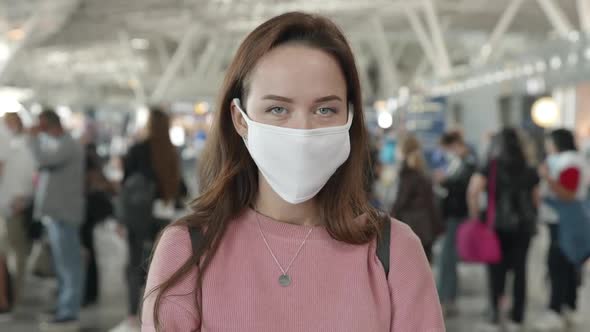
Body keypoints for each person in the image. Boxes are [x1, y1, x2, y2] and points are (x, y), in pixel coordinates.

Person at [142, 12, 444, 332]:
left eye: (325, 109)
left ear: (350, 118)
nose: (302, 130)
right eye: (278, 109)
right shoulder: (187, 251)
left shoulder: (394, 252)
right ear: (241, 119)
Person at [110, 107, 186, 332]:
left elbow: (126, 187)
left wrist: (120, 220)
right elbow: (179, 186)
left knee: (134, 264)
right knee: (162, 265)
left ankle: (132, 315)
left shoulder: (138, 149)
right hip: (164, 215)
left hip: (138, 216)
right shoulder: (171, 151)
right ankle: (158, 314)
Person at [467, 128, 539, 332]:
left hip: (495, 226)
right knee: (520, 270)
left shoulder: (491, 166)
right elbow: (536, 198)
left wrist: (476, 216)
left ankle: (495, 313)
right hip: (524, 228)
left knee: (495, 270)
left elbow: (473, 191)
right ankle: (517, 317)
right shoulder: (528, 166)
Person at [28, 109, 85, 332]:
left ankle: (69, 311)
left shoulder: (68, 145)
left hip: (65, 215)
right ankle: (64, 306)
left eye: (40, 124)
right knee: (62, 266)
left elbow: (43, 160)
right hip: (56, 215)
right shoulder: (58, 143)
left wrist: (33, 138)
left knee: (70, 265)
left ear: (48, 124)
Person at [532, 129, 588, 331]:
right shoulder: (566, 160)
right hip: (561, 221)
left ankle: (557, 310)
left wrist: (547, 178)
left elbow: (568, 193)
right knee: (566, 265)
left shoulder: (569, 162)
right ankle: (568, 307)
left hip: (564, 222)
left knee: (559, 265)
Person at [435, 131, 476, 316]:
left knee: (448, 258)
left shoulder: (469, 163)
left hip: (457, 215)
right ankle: (447, 297)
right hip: (451, 215)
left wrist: (445, 181)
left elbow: (463, 186)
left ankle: (447, 298)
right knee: (447, 259)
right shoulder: (458, 163)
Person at [0, 112, 36, 309]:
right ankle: (12, 295)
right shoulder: (16, 147)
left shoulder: (21, 148)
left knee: (15, 253)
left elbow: (27, 177)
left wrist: (21, 200)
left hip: (13, 206)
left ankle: (15, 296)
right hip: (10, 205)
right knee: (12, 253)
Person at [391, 134, 442, 262]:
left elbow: (400, 201)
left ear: (403, 150)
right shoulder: (422, 169)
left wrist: (388, 219)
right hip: (426, 228)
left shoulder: (407, 172)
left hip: (410, 228)